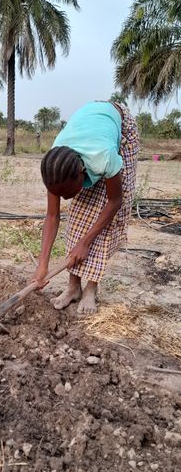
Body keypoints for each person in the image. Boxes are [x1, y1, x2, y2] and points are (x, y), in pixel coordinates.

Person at [34, 101, 139, 314]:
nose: (63, 198)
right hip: (92, 125)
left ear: (82, 173)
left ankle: (91, 288)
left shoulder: (104, 158)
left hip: (121, 127)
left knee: (103, 221)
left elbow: (114, 202)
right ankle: (73, 288)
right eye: (59, 193)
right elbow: (53, 215)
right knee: (79, 216)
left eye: (66, 192)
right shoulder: (56, 165)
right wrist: (42, 265)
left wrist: (85, 242)